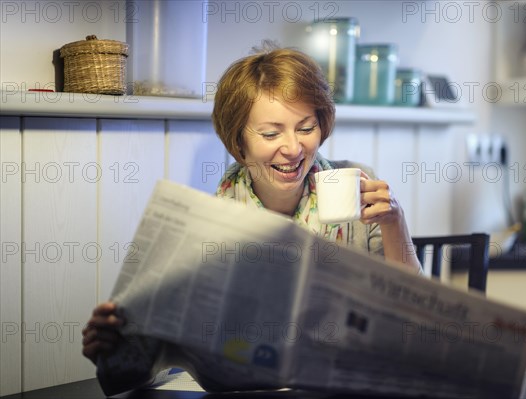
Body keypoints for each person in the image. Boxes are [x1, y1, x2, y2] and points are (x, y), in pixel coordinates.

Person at [82, 43, 422, 365]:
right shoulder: (209, 222)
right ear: (239, 143)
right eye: (271, 134)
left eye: (306, 128)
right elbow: (173, 345)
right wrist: (118, 349)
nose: (292, 148)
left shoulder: (359, 183)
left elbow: (414, 311)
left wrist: (395, 222)